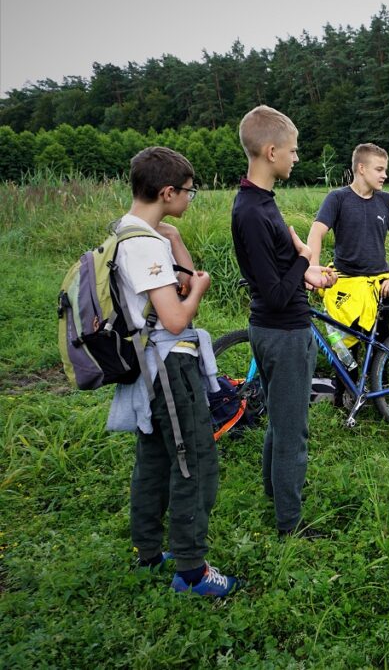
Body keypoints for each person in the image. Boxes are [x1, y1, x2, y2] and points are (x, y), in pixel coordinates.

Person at [105, 146, 237, 597]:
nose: (190, 197)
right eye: (188, 191)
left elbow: (168, 285)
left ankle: (148, 554)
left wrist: (176, 239)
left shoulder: (128, 233)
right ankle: (192, 571)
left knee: (155, 459)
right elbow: (177, 317)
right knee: (193, 461)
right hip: (167, 368)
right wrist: (198, 288)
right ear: (167, 191)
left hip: (147, 369)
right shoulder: (143, 246)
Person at [230, 105, 336, 537]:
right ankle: (289, 525)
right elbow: (273, 293)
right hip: (283, 332)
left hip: (277, 328)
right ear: (271, 151)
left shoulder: (260, 203)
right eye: (292, 151)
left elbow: (275, 273)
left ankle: (275, 496)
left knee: (279, 418)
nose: (296, 158)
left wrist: (304, 272)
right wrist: (305, 257)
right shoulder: (253, 212)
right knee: (293, 433)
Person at [306, 143, 389, 344]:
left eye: (385, 170)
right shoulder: (338, 198)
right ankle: (350, 376)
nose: (384, 175)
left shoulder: (387, 201)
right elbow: (316, 233)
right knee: (345, 351)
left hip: (378, 287)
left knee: (380, 348)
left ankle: (379, 376)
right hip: (344, 286)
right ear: (361, 168)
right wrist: (313, 269)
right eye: (379, 169)